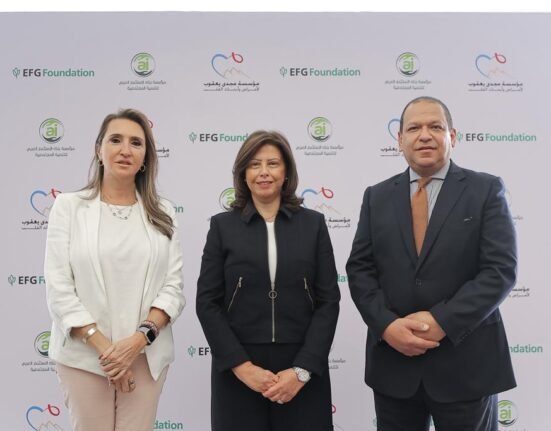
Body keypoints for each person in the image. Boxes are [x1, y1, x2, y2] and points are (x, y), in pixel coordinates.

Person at [346, 96, 517, 431]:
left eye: (435, 126)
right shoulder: (376, 196)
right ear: (400, 140)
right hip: (394, 366)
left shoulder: (485, 190)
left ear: (452, 136)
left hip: (466, 366)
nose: (424, 135)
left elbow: (499, 271)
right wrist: (387, 326)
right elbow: (360, 270)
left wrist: (442, 320)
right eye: (414, 128)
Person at [45, 108, 185, 431]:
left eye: (136, 143)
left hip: (145, 356)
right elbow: (59, 288)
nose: (125, 150)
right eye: (115, 140)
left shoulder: (164, 213)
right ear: (99, 149)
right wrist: (110, 353)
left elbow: (173, 288)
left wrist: (136, 343)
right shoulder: (69, 207)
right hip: (84, 357)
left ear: (146, 156)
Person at [196, 130, 340, 431]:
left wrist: (302, 370)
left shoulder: (313, 224)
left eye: (272, 163)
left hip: (301, 366)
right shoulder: (222, 227)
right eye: (254, 164)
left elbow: (328, 301)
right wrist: (242, 367)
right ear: (243, 174)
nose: (264, 172)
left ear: (286, 172)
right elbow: (207, 302)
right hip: (239, 368)